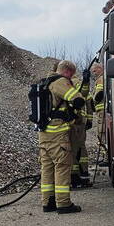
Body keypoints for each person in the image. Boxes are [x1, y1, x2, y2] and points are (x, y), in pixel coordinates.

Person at [39, 60, 84, 214]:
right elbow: (77, 99)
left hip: (44, 134)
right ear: (67, 72)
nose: (71, 78)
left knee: (47, 167)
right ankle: (63, 204)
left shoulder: (44, 82)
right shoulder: (60, 82)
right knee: (62, 167)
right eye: (71, 75)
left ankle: (48, 202)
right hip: (58, 134)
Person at [69, 63, 93, 188]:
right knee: (79, 149)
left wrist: (86, 81)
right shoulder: (70, 83)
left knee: (74, 149)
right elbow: (86, 99)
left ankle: (75, 176)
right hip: (79, 122)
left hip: (75, 122)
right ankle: (81, 175)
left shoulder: (70, 83)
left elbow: (84, 97)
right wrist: (89, 119)